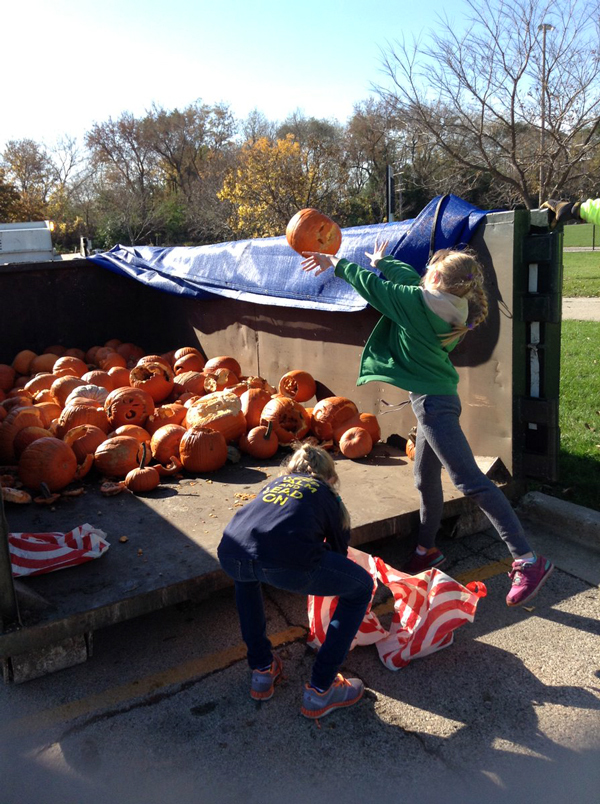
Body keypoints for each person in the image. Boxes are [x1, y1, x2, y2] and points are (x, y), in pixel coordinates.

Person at [300, 242, 554, 608]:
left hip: (434, 406)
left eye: (428, 275)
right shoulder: (455, 305)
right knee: (424, 477)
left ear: (434, 278)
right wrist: (384, 261)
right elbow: (408, 285)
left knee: (470, 481)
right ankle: (426, 549)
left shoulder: (418, 306)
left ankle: (527, 559)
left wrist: (335, 262)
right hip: (435, 400)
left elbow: (375, 288)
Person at [217, 442, 374, 719]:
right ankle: (321, 689)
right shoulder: (326, 492)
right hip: (286, 561)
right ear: (331, 478)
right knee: (360, 587)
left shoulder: (273, 486)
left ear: (289, 470)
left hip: (232, 552)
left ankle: (262, 671)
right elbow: (339, 551)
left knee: (247, 580)